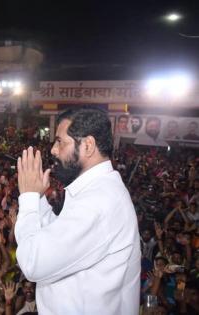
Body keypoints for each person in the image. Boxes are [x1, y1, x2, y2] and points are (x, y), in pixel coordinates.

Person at [15, 107, 141, 315]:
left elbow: (32, 262)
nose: (53, 150)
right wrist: (38, 197)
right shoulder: (97, 192)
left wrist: (27, 197)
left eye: (60, 142)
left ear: (88, 145)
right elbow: (56, 238)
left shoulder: (99, 201)